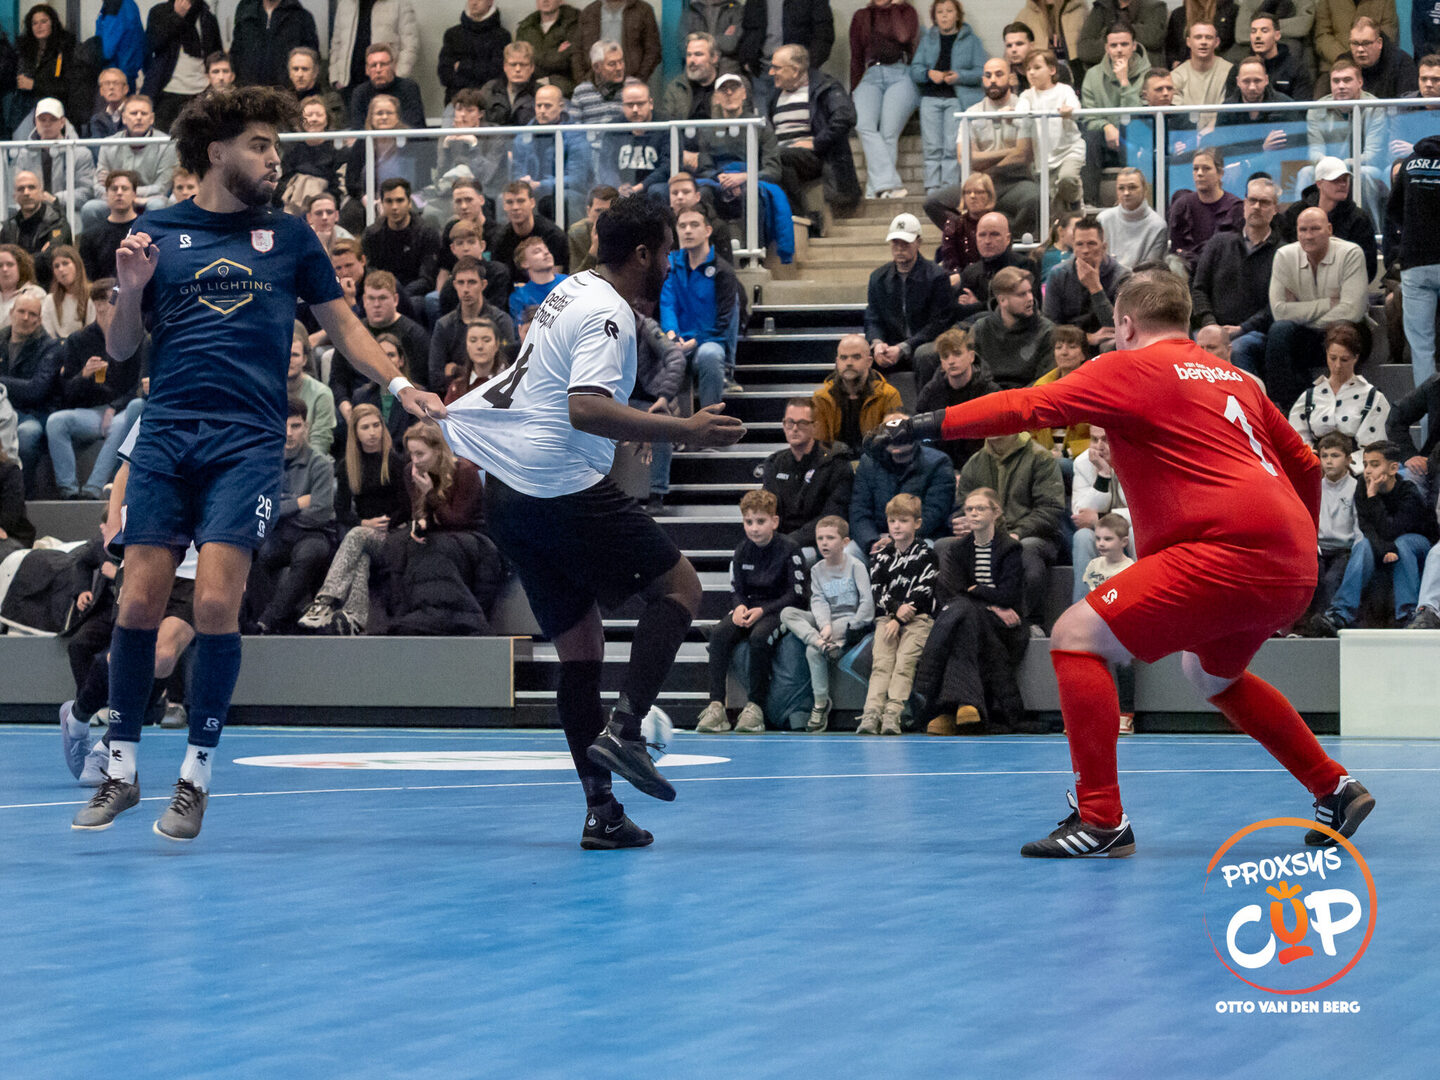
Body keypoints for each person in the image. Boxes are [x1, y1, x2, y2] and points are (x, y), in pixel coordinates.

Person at [867, 269, 1374, 857]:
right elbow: (1306, 466)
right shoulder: (1237, 379)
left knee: (1075, 636)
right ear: (1184, 321)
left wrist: (925, 423)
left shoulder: (1129, 367)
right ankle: (1333, 786)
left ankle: (1102, 818)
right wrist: (1297, 553)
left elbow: (1029, 405)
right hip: (1290, 558)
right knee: (1210, 675)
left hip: (1222, 549)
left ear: (1125, 325)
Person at [69, 87, 445, 841]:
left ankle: (195, 778)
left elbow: (344, 326)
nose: (275, 159)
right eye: (261, 146)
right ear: (217, 153)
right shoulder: (156, 232)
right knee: (137, 605)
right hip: (167, 436)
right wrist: (131, 291)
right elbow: (120, 349)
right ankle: (121, 770)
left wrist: (401, 384)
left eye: (276, 146)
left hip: (246, 441)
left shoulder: (292, 237)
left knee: (214, 606)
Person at [438, 193, 746, 848]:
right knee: (682, 588)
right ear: (644, 254)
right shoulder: (608, 311)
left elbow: (554, 389)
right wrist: (685, 430)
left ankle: (602, 813)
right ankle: (628, 729)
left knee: (580, 649)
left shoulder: (570, 288)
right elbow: (585, 406)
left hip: (509, 494)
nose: (670, 264)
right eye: (666, 253)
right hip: (556, 483)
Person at [915, 485, 1028, 735]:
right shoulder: (958, 549)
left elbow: (1008, 595)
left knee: (961, 618)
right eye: (969, 509)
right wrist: (990, 602)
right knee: (965, 620)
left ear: (995, 512)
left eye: (980, 508)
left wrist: (977, 590)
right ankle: (965, 705)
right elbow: (954, 592)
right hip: (977, 617)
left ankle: (946, 708)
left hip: (1006, 623)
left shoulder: (1010, 548)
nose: (973, 513)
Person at [695, 488, 807, 734]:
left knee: (759, 638)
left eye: (760, 521)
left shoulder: (790, 549)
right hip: (750, 608)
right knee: (719, 633)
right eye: (749, 522)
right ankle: (716, 706)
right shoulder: (742, 550)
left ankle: (755, 707)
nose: (754, 528)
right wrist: (739, 607)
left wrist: (763, 610)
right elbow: (737, 589)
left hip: (780, 609)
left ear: (774, 521)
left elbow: (796, 595)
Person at [297, 403, 409, 635]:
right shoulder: (347, 465)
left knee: (357, 535)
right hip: (365, 536)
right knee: (361, 555)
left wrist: (384, 523)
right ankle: (355, 619)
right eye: (365, 427)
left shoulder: (395, 462)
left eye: (376, 425)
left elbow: (408, 507)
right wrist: (363, 523)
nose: (372, 432)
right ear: (355, 433)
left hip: (394, 535)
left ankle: (325, 600)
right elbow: (341, 511)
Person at [1309, 440, 1430, 634]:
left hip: (1418, 543)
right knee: (1363, 545)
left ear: (1393, 468)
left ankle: (1407, 613)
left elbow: (1393, 529)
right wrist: (1383, 550)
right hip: (1386, 542)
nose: (1367, 471)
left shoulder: (1408, 492)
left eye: (1374, 465)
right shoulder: (1362, 486)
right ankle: (1340, 613)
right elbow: (1366, 527)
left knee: (1402, 544)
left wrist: (1373, 497)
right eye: (1365, 465)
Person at [242, 398, 336, 634]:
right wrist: (298, 503)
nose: (289, 433)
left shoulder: (321, 464)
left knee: (308, 553)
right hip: (278, 534)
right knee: (254, 553)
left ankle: (268, 620)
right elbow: (258, 509)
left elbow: (321, 512)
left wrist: (280, 510)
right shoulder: (266, 464)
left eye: (295, 426)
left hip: (314, 533)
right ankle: (266, 621)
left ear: (306, 426)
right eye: (283, 426)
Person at [1264, 206, 1369, 409]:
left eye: (1315, 229)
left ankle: (1340, 403)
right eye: (1303, 230)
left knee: (1342, 327)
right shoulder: (1284, 256)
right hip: (1310, 337)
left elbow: (1352, 311)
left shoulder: (1351, 253)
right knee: (1279, 331)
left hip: (1349, 333)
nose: (1308, 236)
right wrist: (1328, 303)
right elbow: (1279, 312)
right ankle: (1288, 407)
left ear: (1329, 229)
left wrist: (1300, 313)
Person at [957, 431, 1066, 625]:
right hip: (986, 535)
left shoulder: (1040, 458)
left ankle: (1029, 621)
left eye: (998, 420)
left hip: (1035, 535)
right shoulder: (974, 463)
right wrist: (963, 521)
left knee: (1024, 549)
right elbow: (960, 507)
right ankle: (959, 616)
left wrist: (1017, 533)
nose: (992, 427)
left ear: (1013, 423)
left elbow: (1050, 509)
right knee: (944, 546)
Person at [44, 280, 141, 499]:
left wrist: (114, 407)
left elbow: (136, 386)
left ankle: (93, 489)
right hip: (91, 411)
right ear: (98, 305)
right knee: (56, 421)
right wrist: (84, 375)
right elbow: (67, 392)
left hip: (122, 410)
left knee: (119, 424)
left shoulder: (134, 338)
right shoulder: (78, 340)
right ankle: (68, 491)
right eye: (112, 300)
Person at [780, 515, 874, 733]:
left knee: (812, 652)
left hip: (849, 619)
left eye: (830, 538)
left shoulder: (856, 566)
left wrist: (852, 625)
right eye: (820, 538)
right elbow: (818, 601)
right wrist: (825, 626)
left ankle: (820, 704)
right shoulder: (817, 569)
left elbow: (867, 603)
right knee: (787, 613)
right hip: (825, 623)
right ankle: (821, 643)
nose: (824, 543)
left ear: (845, 542)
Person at [857, 492, 938, 735]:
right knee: (881, 664)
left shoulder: (927, 555)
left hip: (918, 619)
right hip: (887, 619)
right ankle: (871, 713)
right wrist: (894, 615)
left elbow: (924, 589)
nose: (897, 526)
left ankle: (893, 713)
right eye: (892, 521)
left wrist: (900, 616)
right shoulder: (881, 556)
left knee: (904, 663)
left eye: (903, 521)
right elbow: (877, 590)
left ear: (917, 523)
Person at [933, 56, 1037, 239]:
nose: (993, 80)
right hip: (979, 184)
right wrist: (1010, 151)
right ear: (983, 80)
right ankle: (972, 238)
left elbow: (1023, 155)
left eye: (999, 74)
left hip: (1015, 182)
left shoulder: (1023, 108)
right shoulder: (971, 113)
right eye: (988, 76)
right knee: (934, 203)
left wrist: (987, 166)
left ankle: (1005, 238)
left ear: (1010, 78)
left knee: (1035, 198)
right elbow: (964, 158)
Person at [1191, 175, 1281, 374]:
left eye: (1264, 202)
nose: (1256, 207)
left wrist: (1243, 328)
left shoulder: (1282, 252)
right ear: (1244, 204)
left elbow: (1276, 304)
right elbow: (1198, 290)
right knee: (1188, 348)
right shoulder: (1218, 243)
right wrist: (1211, 325)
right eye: (1252, 200)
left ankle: (1246, 395)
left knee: (1238, 349)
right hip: (1210, 327)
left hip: (1252, 333)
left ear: (1275, 209)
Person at [765, 44, 861, 217]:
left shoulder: (825, 87)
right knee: (778, 164)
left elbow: (845, 117)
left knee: (776, 156)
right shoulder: (774, 96)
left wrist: (817, 142)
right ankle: (801, 218)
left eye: (777, 68)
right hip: (784, 156)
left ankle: (798, 215)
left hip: (816, 156)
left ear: (795, 70)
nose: (771, 72)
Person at [864, 212, 956, 388]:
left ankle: (927, 403)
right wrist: (877, 344)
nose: (899, 249)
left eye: (905, 243)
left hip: (925, 343)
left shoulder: (937, 276)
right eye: (895, 243)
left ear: (918, 242)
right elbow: (873, 318)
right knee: (860, 355)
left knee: (924, 355)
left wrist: (904, 347)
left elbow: (939, 323)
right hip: (891, 345)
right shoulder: (878, 278)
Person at [659, 205, 738, 404]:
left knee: (709, 355)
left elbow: (723, 322)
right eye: (682, 226)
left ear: (708, 230)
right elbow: (667, 303)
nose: (687, 231)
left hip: (708, 342)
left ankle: (709, 418)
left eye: (694, 225)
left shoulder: (723, 271)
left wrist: (693, 342)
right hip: (677, 340)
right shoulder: (670, 264)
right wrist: (672, 335)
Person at [851, 410, 956, 555]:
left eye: (900, 433)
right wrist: (871, 541)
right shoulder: (868, 462)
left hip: (922, 537)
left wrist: (896, 539)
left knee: (928, 551)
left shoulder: (939, 463)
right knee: (850, 553)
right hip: (877, 537)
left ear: (916, 434)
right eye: (888, 432)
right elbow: (859, 510)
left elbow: (934, 514)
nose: (894, 437)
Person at [908, 0, 985, 194]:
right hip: (930, 99)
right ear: (934, 16)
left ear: (957, 15)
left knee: (952, 147)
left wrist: (960, 76)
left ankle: (949, 189)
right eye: (940, 12)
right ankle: (932, 188)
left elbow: (981, 72)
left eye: (949, 11)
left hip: (956, 99)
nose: (944, 15)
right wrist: (928, 74)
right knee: (932, 147)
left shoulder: (972, 40)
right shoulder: (927, 39)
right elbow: (915, 69)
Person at [760, 397, 855, 550]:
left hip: (817, 542)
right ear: (783, 425)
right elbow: (767, 511)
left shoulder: (835, 463)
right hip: (779, 542)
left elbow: (832, 515)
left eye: (802, 423)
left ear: (815, 426)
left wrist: (788, 542)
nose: (794, 428)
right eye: (790, 422)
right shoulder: (774, 463)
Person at [1386, 131, 1440, 389]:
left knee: (1421, 348)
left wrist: (1411, 232)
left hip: (1415, 262)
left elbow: (1393, 209)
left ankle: (1430, 413)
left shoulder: (1409, 163)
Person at [1288, 322, 1389, 456]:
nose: (1337, 365)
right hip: (1316, 463)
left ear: (1355, 357)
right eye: (1333, 358)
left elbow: (1373, 447)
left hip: (1357, 464)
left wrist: (1345, 464)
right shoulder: (1309, 397)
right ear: (1326, 354)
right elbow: (1297, 439)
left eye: (1344, 359)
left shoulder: (1372, 397)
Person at [1078, 23, 1151, 207]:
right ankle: (1089, 204)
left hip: (1135, 138)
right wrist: (1106, 126)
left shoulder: (1148, 75)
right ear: (1106, 48)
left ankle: (1134, 201)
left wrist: (1124, 82)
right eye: (1113, 45)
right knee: (1089, 138)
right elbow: (1088, 117)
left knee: (1131, 132)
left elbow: (1138, 116)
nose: (1119, 50)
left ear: (1134, 46)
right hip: (1103, 140)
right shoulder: (1093, 75)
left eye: (1124, 44)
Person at [1277, 155, 1379, 281]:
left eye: (1345, 179)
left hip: (1343, 284)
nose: (1343, 184)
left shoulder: (1358, 218)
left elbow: (1368, 266)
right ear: (1319, 183)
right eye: (1335, 180)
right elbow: (1283, 248)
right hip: (1299, 282)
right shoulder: (1297, 212)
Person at [83, 96, 177, 232]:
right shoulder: (108, 144)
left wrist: (127, 194)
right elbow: (98, 185)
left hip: (148, 200)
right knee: (90, 208)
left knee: (157, 205)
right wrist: (121, 194)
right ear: (124, 118)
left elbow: (162, 187)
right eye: (133, 113)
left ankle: (155, 245)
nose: (138, 117)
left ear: (151, 118)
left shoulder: (167, 144)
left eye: (143, 113)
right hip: (115, 197)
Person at [916, 327, 999, 469]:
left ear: (971, 356)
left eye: (957, 354)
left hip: (983, 468)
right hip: (941, 468)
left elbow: (998, 440)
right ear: (941, 362)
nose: (951, 361)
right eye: (945, 356)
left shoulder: (990, 393)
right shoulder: (930, 392)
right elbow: (921, 436)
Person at [1300, 430, 1360, 628]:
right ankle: (1304, 626)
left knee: (1332, 579)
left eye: (1335, 456)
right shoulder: (1314, 486)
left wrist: (1356, 549)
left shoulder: (1356, 488)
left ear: (1349, 459)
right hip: (1318, 548)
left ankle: (1328, 624)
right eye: (1324, 456)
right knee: (1311, 576)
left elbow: (1359, 526)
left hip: (1345, 549)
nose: (1328, 461)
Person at [1042, 215, 1130, 347]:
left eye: (1091, 244)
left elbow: (1120, 328)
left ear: (1104, 247)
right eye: (1079, 244)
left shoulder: (1122, 277)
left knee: (1109, 344)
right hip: (1070, 343)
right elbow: (1051, 326)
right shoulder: (1058, 274)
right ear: (1073, 246)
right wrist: (1086, 338)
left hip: (1107, 344)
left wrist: (1095, 288)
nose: (1085, 251)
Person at [510, 84, 592, 227]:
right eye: (538, 106)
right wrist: (523, 182)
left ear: (561, 107)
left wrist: (541, 185)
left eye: (547, 106)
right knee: (507, 198)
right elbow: (516, 170)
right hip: (530, 191)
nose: (542, 111)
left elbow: (577, 179)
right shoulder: (523, 136)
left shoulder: (576, 135)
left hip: (565, 192)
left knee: (564, 197)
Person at [0, 292, 58, 487]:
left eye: (32, 314)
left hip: (33, 414)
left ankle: (22, 492)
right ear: (11, 313)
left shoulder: (50, 347)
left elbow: (36, 390)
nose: (25, 318)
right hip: (2, 410)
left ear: (40, 319)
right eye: (21, 311)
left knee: (27, 434)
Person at [811, 333, 904, 454]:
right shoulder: (822, 397)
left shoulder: (888, 395)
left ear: (869, 362)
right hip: (834, 461)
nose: (849, 363)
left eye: (856, 357)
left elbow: (894, 441)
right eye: (843, 358)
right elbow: (818, 445)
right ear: (837, 362)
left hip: (876, 460)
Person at [1019, 49, 1084, 215]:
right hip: (1044, 157)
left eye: (1037, 67)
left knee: (1067, 179)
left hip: (1069, 150)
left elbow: (1075, 108)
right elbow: (1020, 115)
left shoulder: (1064, 90)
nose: (1031, 72)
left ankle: (1076, 204)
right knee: (1053, 205)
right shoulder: (1027, 95)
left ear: (1052, 70)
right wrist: (1009, 113)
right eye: (1028, 69)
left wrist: (1069, 109)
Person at [142, 0, 223, 133]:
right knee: (165, 139)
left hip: (201, 90)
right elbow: (152, 44)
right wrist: (177, 16)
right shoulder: (159, 12)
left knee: (200, 138)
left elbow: (216, 54)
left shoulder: (207, 16)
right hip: (168, 91)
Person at [1068, 422, 1128, 600]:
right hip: (1102, 533)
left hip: (1131, 532)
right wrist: (1103, 475)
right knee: (1082, 536)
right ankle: (1082, 605)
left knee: (1133, 534)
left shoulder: (1135, 460)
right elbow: (1081, 513)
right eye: (1094, 439)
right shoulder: (1082, 463)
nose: (1099, 446)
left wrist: (1099, 519)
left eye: (1106, 440)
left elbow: (1142, 515)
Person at [972, 264, 1055, 390]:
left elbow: (1045, 379)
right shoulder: (981, 329)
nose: (1030, 298)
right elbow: (975, 375)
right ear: (1002, 300)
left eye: (1030, 292)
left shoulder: (1047, 331)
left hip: (1029, 396)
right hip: (989, 395)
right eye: (1021, 294)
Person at [10, 99, 96, 216]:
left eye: (53, 119)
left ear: (62, 122)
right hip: (33, 212)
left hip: (69, 213)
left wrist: (55, 199)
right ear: (35, 122)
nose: (47, 124)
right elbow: (18, 188)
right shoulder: (25, 153)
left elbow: (86, 192)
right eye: (42, 119)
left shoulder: (81, 153)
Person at [361, 178, 442, 300]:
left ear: (409, 203)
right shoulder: (372, 234)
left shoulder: (427, 233)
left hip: (415, 296)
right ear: (382, 204)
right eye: (389, 201)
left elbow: (427, 279)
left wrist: (399, 295)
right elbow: (370, 272)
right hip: (382, 295)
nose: (394, 207)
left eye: (400, 200)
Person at [1167, 148, 1243, 274]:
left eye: (1206, 168)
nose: (1199, 174)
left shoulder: (1235, 208)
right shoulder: (1182, 206)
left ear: (1220, 173)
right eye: (1195, 169)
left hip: (1221, 273)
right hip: (1186, 273)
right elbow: (1176, 249)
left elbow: (1229, 252)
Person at [951, 211, 1034, 323]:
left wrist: (976, 305)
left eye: (995, 234)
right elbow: (959, 311)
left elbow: (1023, 307)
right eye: (982, 235)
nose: (987, 241)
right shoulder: (970, 272)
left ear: (1007, 239)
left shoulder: (1024, 266)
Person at [596, 80, 670, 198]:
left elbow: (668, 166)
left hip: (653, 188)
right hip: (621, 190)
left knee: (658, 190)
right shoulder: (613, 128)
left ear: (650, 103)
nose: (635, 109)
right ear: (622, 106)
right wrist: (618, 186)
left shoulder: (666, 125)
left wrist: (639, 187)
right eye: (630, 105)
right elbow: (606, 166)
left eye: (640, 104)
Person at [1223, 10, 1314, 100]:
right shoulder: (1238, 69)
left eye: (1264, 31)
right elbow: (1231, 105)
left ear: (1277, 35)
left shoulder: (1296, 68)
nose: (1257, 36)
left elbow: (1301, 107)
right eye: (1254, 31)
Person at [2, 171, 70, 289]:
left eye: (31, 187)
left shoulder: (58, 223)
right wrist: (38, 257)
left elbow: (50, 258)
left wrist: (15, 262)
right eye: (21, 189)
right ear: (14, 196)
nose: (26, 193)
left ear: (42, 193)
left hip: (50, 290)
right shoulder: (9, 227)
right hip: (15, 290)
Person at [229, 0, 319, 89]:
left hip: (287, 92)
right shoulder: (246, 14)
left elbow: (312, 60)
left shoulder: (301, 17)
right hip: (249, 90)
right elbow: (235, 54)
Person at [736, 0, 836, 78]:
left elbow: (823, 34)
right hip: (763, 72)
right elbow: (748, 29)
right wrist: (746, 59)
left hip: (798, 73)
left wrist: (809, 65)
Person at [492, 181, 570, 276]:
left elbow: (554, 280)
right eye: (509, 202)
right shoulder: (500, 240)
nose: (515, 207)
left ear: (532, 203)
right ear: (504, 206)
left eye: (521, 201)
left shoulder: (553, 236)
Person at [1097, 168, 1167, 270]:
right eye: (1121, 188)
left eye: (1132, 187)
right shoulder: (1103, 219)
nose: (1126, 193)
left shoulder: (1157, 226)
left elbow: (1150, 271)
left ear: (1145, 190)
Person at [576, 0, 660, 83]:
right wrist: (583, 80)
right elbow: (577, 50)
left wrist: (639, 79)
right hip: (594, 82)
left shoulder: (643, 10)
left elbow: (653, 50)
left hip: (631, 81)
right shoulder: (589, 11)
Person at [78, 171, 141, 281]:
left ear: (134, 194)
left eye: (124, 188)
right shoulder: (90, 236)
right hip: (103, 290)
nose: (119, 193)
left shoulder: (148, 230)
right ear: (107, 194)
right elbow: (87, 279)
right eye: (114, 189)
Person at [1171, 21, 1235, 129]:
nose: (1203, 42)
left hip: (1220, 132)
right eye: (1198, 37)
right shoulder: (1176, 76)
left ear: (1217, 42)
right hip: (1186, 135)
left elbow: (1229, 112)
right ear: (1188, 42)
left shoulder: (1230, 71)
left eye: (1208, 37)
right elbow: (1178, 117)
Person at [349, 43, 425, 131]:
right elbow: (358, 129)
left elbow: (414, 126)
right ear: (367, 69)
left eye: (383, 64)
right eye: (373, 65)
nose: (378, 70)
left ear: (394, 66)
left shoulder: (408, 88)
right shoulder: (360, 93)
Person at [287, 325, 337, 454]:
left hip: (311, 462)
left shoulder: (322, 394)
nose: (289, 360)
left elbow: (320, 444)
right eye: (284, 355)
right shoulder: (266, 392)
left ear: (304, 360)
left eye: (294, 355)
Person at [517, 0, 583, 97]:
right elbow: (520, 61)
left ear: (561, 1)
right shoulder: (525, 28)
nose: (545, 0)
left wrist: (533, 54)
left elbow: (566, 61)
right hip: (530, 90)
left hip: (564, 91)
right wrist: (556, 53)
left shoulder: (574, 24)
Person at [1347, 13, 1418, 98]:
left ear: (1379, 43)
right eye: (1355, 43)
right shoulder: (1345, 62)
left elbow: (1407, 103)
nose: (1360, 49)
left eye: (1366, 43)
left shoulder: (1402, 63)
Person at [1079, 0, 1167, 66]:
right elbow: (1085, 50)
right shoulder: (1101, 7)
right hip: (1108, 75)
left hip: (1144, 74)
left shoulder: (1154, 7)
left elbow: (1152, 38)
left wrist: (1107, 32)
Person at [444, 318, 509, 404]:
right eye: (473, 340)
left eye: (486, 340)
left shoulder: (511, 384)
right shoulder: (456, 388)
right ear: (467, 346)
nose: (479, 346)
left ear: (497, 344)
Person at [285, 46, 345, 131]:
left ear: (315, 72)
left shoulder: (332, 100)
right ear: (290, 73)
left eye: (305, 69)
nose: (300, 74)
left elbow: (337, 129)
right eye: (295, 69)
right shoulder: (283, 102)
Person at [40, 247, 94, 341]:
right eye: (56, 266)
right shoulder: (49, 300)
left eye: (65, 263)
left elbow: (93, 331)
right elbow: (47, 333)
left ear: (77, 265)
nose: (61, 269)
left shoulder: (92, 294)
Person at [509, 236, 567, 323]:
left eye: (546, 249)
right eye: (537, 251)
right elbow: (521, 328)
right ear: (525, 263)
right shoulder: (520, 297)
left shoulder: (569, 282)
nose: (546, 253)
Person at [481, 41, 539, 127]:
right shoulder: (490, 90)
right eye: (513, 64)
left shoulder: (541, 93)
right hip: (494, 135)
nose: (518, 69)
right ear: (505, 67)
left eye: (523, 64)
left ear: (532, 68)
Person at [86, 68, 130, 139]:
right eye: (107, 83)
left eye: (116, 83)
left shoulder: (135, 114)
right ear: (101, 91)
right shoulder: (97, 119)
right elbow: (97, 144)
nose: (111, 87)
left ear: (126, 89)